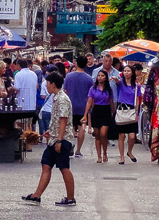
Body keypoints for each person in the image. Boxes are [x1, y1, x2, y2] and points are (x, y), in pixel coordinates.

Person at [21, 71, 76, 206]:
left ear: (52, 84)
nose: (46, 86)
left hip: (62, 140)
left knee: (64, 168)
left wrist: (59, 139)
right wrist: (50, 132)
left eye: (47, 83)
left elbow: (63, 120)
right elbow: (58, 120)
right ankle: (37, 195)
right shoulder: (56, 97)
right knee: (46, 165)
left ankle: (70, 198)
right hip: (54, 138)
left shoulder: (62, 99)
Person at [82, 70, 114, 164]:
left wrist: (114, 113)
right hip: (96, 111)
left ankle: (105, 152)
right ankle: (99, 155)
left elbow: (111, 102)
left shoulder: (109, 89)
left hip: (106, 110)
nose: (100, 77)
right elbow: (89, 102)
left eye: (102, 75)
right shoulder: (93, 88)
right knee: (97, 135)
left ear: (106, 77)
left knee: (103, 134)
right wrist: (85, 115)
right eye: (98, 75)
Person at [114, 65, 141, 164]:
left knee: (132, 136)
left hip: (131, 110)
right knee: (121, 136)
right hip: (122, 109)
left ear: (132, 73)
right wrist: (115, 79)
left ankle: (129, 151)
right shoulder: (121, 83)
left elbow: (138, 100)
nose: (126, 73)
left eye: (128, 71)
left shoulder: (136, 86)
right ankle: (121, 157)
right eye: (125, 71)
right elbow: (117, 82)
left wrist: (137, 113)